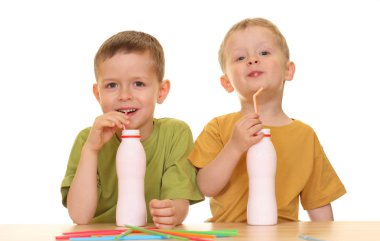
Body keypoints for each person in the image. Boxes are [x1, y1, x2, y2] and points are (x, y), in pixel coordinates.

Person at [189, 18, 346, 223]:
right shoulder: (218, 128)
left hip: (284, 240)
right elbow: (206, 187)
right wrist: (235, 146)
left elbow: (319, 204)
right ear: (227, 82)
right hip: (230, 239)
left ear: (288, 70)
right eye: (240, 57)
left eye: (264, 53)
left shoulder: (305, 136)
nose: (252, 60)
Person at [61, 31, 203, 228]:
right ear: (97, 93)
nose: (125, 95)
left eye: (138, 83)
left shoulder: (175, 133)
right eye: (111, 85)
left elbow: (179, 204)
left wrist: (172, 212)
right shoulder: (88, 139)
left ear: (161, 91)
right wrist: (91, 150)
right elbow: (80, 216)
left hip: (154, 239)